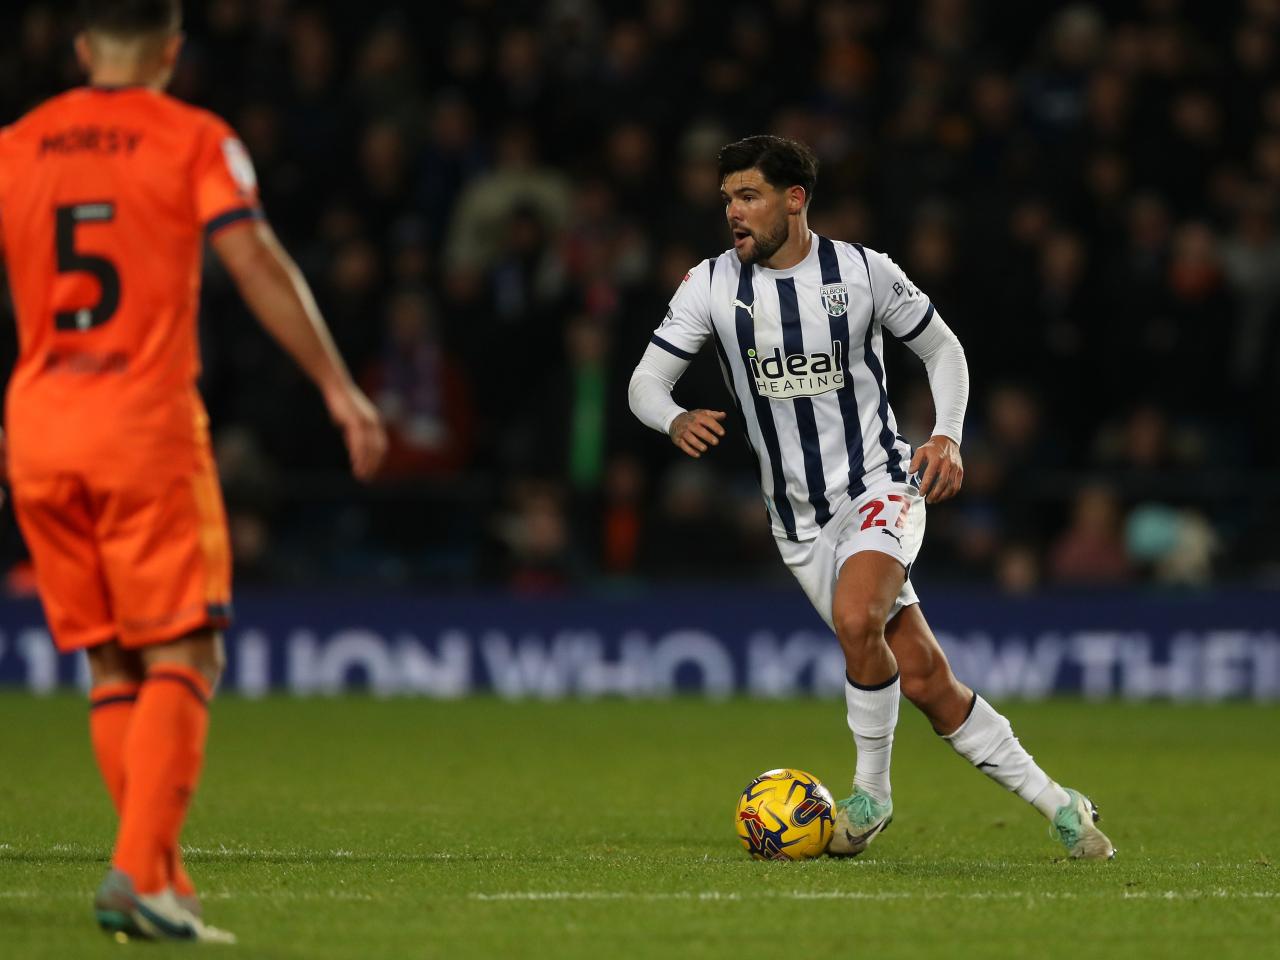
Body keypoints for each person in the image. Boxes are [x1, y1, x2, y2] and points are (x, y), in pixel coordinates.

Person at [0, 0, 388, 941]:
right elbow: (250, 257)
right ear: (172, 51)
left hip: (40, 430)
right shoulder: (193, 138)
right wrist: (339, 387)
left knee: (111, 657)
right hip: (141, 427)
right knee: (189, 651)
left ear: (83, 45)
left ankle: (157, 880)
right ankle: (136, 875)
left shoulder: (17, 144)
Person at [628, 135, 1114, 861]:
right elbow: (644, 383)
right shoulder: (708, 286)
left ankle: (871, 796)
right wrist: (674, 418)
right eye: (727, 198)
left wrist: (946, 436)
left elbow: (942, 349)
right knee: (923, 679)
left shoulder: (861, 272)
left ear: (795, 199)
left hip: (881, 487)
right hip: (797, 523)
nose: (733, 212)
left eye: (748, 196)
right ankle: (1059, 803)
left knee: (860, 617)